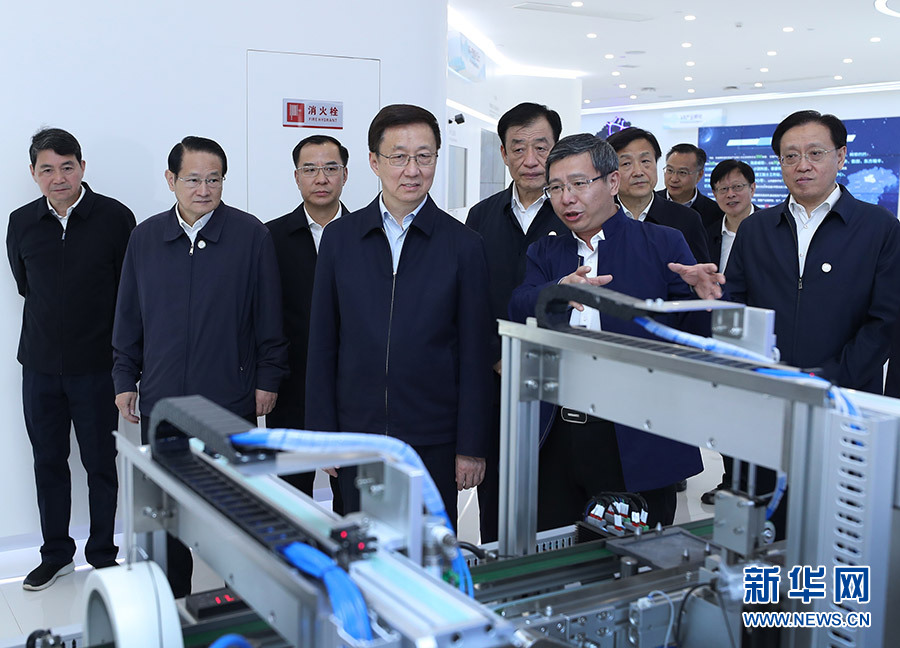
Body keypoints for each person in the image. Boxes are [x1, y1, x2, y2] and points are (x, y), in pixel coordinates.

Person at [508, 133, 722, 530]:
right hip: (558, 434)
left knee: (634, 554)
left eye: (579, 183)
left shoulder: (663, 243)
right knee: (557, 548)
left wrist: (702, 299)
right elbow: (519, 305)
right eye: (556, 188)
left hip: (637, 435)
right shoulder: (545, 251)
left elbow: (693, 338)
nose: (567, 198)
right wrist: (558, 291)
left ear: (611, 182)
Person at [112, 136, 288, 596]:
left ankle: (243, 600)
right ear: (171, 180)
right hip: (163, 403)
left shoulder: (251, 235)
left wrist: (268, 378)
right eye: (193, 179)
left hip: (229, 399)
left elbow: (269, 317)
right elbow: (128, 316)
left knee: (236, 509)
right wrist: (124, 377)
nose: (204, 190)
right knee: (167, 511)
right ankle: (174, 603)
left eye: (214, 180)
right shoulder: (145, 238)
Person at [305, 104, 493, 527]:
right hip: (357, 436)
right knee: (360, 547)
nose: (412, 170)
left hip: (434, 436)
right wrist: (323, 432)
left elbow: (475, 353)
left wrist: (471, 445)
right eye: (399, 157)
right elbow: (323, 341)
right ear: (374, 162)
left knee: (427, 549)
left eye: (424, 156)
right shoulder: (340, 239)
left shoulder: (464, 245)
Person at [725, 110, 900, 535]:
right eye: (790, 156)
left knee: (837, 526)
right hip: (767, 401)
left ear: (840, 156)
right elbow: (736, 304)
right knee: (766, 523)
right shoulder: (756, 229)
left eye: (815, 153)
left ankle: (828, 584)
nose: (802, 165)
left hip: (845, 404)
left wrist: (831, 380)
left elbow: (886, 320)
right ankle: (767, 581)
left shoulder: (879, 227)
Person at [7, 128, 135, 590]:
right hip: (39, 367)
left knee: (100, 464)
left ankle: (102, 553)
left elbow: (129, 293)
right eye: (47, 169)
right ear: (33, 173)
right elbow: (26, 285)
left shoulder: (115, 218)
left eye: (67, 167)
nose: (58, 178)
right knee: (48, 462)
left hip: (97, 367)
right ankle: (56, 555)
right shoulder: (22, 222)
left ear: (82, 167)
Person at [465, 102, 569, 542]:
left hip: (560, 383)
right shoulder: (481, 216)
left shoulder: (573, 213)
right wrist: (495, 356)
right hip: (495, 380)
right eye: (518, 147)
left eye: (541, 147)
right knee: (496, 499)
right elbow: (470, 299)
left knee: (556, 501)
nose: (530, 160)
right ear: (503, 153)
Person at [266, 135, 349, 511]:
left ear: (345, 174)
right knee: (290, 498)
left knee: (352, 495)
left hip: (351, 387)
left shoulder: (368, 233)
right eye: (310, 169)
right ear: (296, 177)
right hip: (290, 385)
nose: (321, 178)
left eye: (331, 168)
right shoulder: (270, 237)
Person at [700, 159, 758, 505]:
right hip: (712, 334)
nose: (731, 194)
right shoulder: (705, 231)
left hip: (753, 336)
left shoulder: (768, 229)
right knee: (722, 412)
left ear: (753, 189)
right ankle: (730, 480)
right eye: (723, 189)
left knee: (753, 413)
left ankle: (755, 484)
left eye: (738, 187)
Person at [606, 128, 711, 264]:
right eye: (626, 163)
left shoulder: (687, 220)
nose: (638, 172)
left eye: (645, 161)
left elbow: (699, 272)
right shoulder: (599, 218)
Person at [657, 143, 724, 228]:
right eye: (670, 170)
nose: (674, 179)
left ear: (699, 175)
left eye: (682, 172)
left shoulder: (715, 213)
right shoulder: (650, 203)